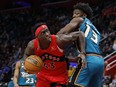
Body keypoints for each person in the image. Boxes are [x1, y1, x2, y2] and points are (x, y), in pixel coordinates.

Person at [57, 3, 104, 87]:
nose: (74, 16)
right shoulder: (96, 30)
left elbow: (63, 32)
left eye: (77, 13)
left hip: (88, 60)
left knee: (72, 85)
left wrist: (52, 40)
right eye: (73, 14)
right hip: (100, 61)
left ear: (84, 15)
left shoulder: (79, 20)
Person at [23, 23, 85, 87]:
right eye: (43, 33)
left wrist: (82, 53)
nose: (47, 34)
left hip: (60, 76)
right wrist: (26, 65)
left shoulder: (59, 40)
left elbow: (80, 34)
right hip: (43, 77)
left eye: (47, 31)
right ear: (37, 36)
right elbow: (26, 54)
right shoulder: (32, 45)